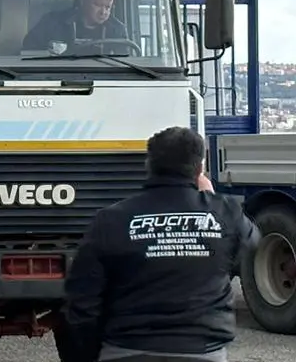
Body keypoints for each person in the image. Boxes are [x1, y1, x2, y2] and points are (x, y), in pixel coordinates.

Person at [58, 126, 260, 362]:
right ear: (200, 168)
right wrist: (212, 200)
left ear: (149, 166)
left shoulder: (111, 220)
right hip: (204, 353)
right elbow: (251, 247)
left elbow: (81, 305)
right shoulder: (224, 213)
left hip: (125, 351)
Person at [23, 0, 129, 52]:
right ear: (83, 1)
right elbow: (28, 49)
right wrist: (47, 50)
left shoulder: (117, 30)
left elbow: (125, 63)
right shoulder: (52, 22)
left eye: (108, 7)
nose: (103, 12)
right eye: (97, 5)